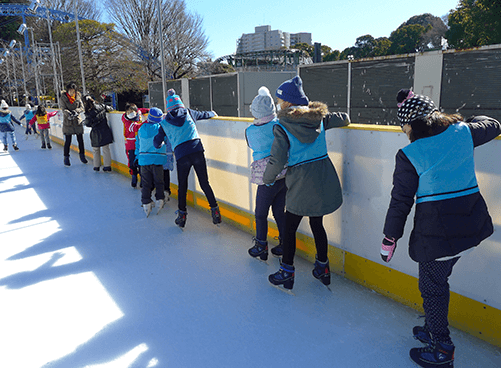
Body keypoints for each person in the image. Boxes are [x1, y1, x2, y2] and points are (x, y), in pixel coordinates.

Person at [381, 89, 501, 368]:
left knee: (432, 287)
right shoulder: (463, 132)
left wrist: (390, 237)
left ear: (410, 125)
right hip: (471, 225)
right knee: (436, 282)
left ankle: (442, 347)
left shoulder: (410, 153)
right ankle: (432, 329)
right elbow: (494, 124)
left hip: (439, 234)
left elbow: (401, 201)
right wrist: (463, 122)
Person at [263, 75, 350, 291]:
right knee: (316, 224)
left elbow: (278, 159)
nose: (279, 104)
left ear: (288, 103)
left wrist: (267, 179)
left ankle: (287, 272)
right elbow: (345, 118)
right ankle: (323, 267)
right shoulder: (319, 120)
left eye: (280, 101)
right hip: (322, 179)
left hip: (301, 182)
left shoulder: (282, 127)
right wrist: (315, 112)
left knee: (290, 228)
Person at [154, 89, 221, 229]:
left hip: (181, 155)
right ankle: (215, 211)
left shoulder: (164, 123)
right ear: (181, 104)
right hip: (197, 150)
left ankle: (182, 216)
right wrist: (213, 113)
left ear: (169, 108)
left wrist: (161, 140)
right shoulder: (189, 112)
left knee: (182, 186)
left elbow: (156, 142)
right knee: (204, 182)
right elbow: (205, 114)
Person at [245, 86, 287, 261]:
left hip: (266, 179)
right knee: (279, 211)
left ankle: (261, 245)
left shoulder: (250, 131)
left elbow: (251, 145)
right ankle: (285, 244)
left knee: (261, 213)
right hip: (284, 175)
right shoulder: (279, 125)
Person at [136, 107, 172, 217]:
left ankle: (146, 202)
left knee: (146, 183)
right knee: (159, 182)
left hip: (143, 161)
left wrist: (137, 157)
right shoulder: (161, 128)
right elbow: (166, 141)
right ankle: (160, 199)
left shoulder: (141, 128)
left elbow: (138, 144)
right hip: (158, 160)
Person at [83, 96, 114, 172]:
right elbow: (110, 108)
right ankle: (107, 166)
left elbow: (88, 123)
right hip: (104, 130)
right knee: (106, 149)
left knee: (96, 149)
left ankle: (96, 166)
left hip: (96, 132)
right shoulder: (101, 106)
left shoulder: (88, 112)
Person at [59, 82, 87, 166]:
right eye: (70, 90)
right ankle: (66, 157)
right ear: (67, 90)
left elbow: (82, 107)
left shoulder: (78, 96)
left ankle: (82, 156)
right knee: (68, 141)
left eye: (73, 90)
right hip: (68, 121)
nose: (72, 92)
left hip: (77, 121)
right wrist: (69, 113)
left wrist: (76, 111)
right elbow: (63, 109)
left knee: (80, 140)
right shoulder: (63, 98)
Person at [122, 102, 149, 187]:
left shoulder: (138, 113)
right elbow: (136, 127)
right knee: (132, 161)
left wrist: (149, 110)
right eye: (128, 112)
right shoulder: (127, 121)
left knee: (140, 162)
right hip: (131, 145)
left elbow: (141, 110)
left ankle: (142, 178)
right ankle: (134, 176)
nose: (130, 113)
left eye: (132, 111)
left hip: (140, 144)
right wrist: (148, 121)